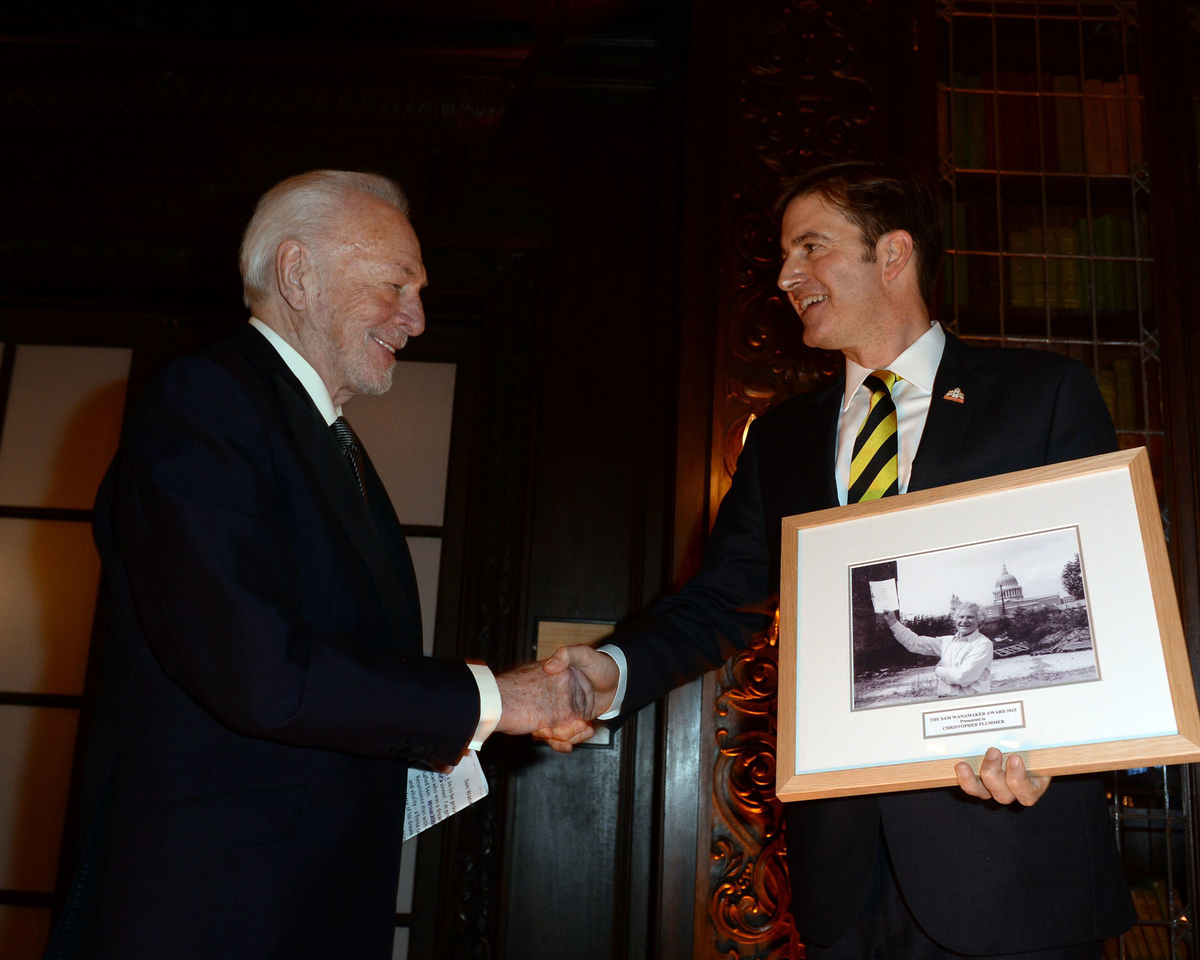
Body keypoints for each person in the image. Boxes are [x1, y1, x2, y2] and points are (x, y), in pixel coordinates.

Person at [541, 162, 1136, 958]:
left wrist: (1062, 749)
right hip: (844, 874)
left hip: (1013, 851)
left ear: (892, 254)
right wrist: (614, 669)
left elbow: (1107, 597)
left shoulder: (1044, 395)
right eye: (786, 256)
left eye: (810, 248)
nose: (786, 276)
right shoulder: (780, 439)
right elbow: (721, 602)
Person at [45, 170, 594, 959]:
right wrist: (491, 698)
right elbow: (261, 670)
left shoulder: (325, 439)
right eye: (396, 285)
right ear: (298, 274)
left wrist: (483, 714)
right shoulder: (207, 402)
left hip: (296, 901)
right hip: (211, 914)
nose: (416, 317)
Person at [882, 603, 992, 697]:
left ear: (980, 622)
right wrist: (893, 622)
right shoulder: (947, 641)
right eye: (961, 617)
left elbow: (962, 677)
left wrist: (938, 669)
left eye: (970, 617)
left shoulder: (983, 644)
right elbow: (915, 643)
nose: (964, 621)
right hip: (945, 700)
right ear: (956, 619)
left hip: (970, 702)